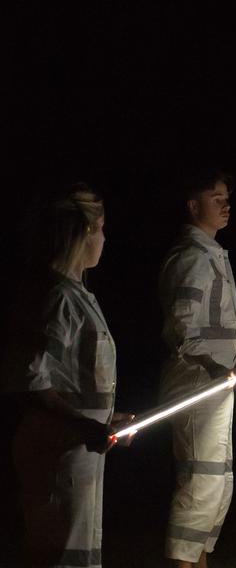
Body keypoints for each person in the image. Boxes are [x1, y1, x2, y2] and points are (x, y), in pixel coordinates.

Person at [10, 185, 133, 568]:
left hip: (79, 449)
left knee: (78, 553)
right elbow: (27, 381)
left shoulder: (76, 295)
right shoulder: (57, 298)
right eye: (101, 228)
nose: (104, 238)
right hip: (58, 453)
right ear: (83, 233)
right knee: (61, 556)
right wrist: (82, 424)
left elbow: (69, 380)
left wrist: (103, 420)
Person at [159, 171, 236, 568]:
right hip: (198, 381)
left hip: (214, 380)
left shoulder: (209, 253)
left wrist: (228, 364)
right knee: (200, 483)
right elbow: (183, 327)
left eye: (226, 197)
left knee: (216, 482)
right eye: (216, 198)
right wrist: (215, 366)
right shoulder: (192, 257)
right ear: (193, 206)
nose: (225, 205)